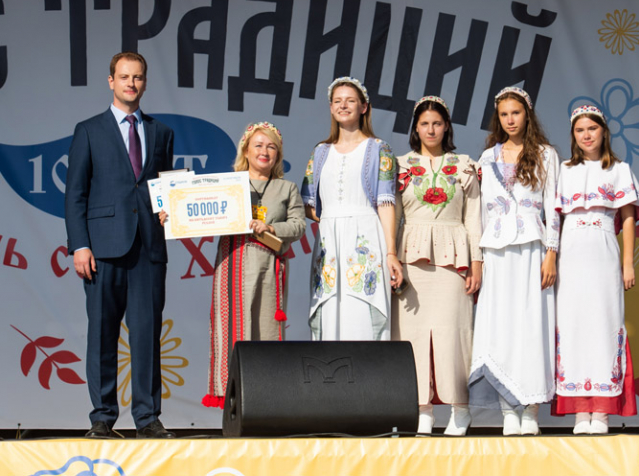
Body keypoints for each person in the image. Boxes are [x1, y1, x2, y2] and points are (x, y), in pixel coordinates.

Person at [65, 52, 175, 439]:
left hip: (148, 248)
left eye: (138, 77)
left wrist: (170, 209)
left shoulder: (161, 132)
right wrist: (80, 245)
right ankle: (102, 417)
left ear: (145, 82)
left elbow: (164, 187)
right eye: (124, 77)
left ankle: (147, 418)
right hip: (102, 249)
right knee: (102, 334)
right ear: (111, 81)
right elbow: (75, 194)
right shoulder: (89, 130)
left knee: (146, 334)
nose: (131, 83)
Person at [552, 104, 639, 434]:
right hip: (570, 254)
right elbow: (553, 218)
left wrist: (627, 264)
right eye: (580, 130)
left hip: (604, 252)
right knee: (573, 325)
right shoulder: (563, 170)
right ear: (573, 135)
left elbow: (628, 217)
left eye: (592, 128)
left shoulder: (619, 169)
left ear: (604, 131)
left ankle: (603, 411)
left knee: (604, 324)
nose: (586, 135)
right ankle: (581, 411)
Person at [469, 86, 560, 436]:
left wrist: (551, 253)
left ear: (527, 115)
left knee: (531, 323)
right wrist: (478, 259)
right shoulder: (486, 158)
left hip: (532, 248)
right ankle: (508, 409)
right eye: (504, 114)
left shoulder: (546, 155)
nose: (510, 120)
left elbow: (553, 207)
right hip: (496, 250)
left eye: (516, 113)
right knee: (499, 324)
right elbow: (480, 212)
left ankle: (530, 408)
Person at [392, 96, 482, 436]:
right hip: (410, 260)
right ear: (415, 128)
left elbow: (473, 219)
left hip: (454, 260)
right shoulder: (399, 166)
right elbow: (392, 217)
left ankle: (460, 409)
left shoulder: (464, 165)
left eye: (437, 123)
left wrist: (477, 263)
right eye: (424, 124)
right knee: (411, 336)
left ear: (447, 127)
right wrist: (390, 257)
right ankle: (422, 410)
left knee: (454, 333)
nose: (431, 129)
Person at [199, 122, 305, 408]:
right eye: (258, 145)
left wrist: (270, 227)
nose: (264, 151)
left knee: (265, 330)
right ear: (246, 150)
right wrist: (172, 214)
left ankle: (265, 401)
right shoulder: (228, 184)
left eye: (271, 147)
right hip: (232, 262)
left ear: (278, 154)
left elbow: (298, 225)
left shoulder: (286, 188)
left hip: (268, 265)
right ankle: (230, 400)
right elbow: (195, 211)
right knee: (231, 330)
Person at [302, 77, 403, 340]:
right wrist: (332, 221)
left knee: (362, 310)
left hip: (365, 237)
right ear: (331, 107)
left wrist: (391, 252)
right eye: (337, 101)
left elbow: (386, 204)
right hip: (329, 243)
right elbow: (308, 205)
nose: (343, 106)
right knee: (328, 312)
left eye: (350, 101)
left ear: (363, 107)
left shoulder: (380, 149)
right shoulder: (320, 152)